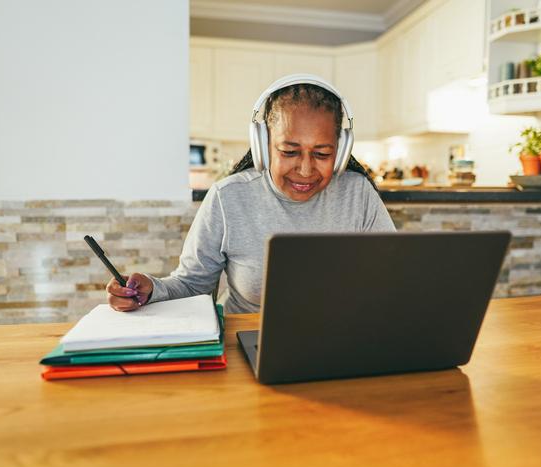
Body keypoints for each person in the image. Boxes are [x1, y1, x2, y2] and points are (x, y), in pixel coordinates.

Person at [106, 74, 396, 314]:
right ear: (262, 146)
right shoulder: (227, 197)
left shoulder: (359, 195)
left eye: (322, 154)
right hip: (246, 338)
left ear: (342, 151)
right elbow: (194, 286)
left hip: (341, 337)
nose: (306, 170)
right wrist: (152, 289)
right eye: (289, 151)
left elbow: (392, 279)